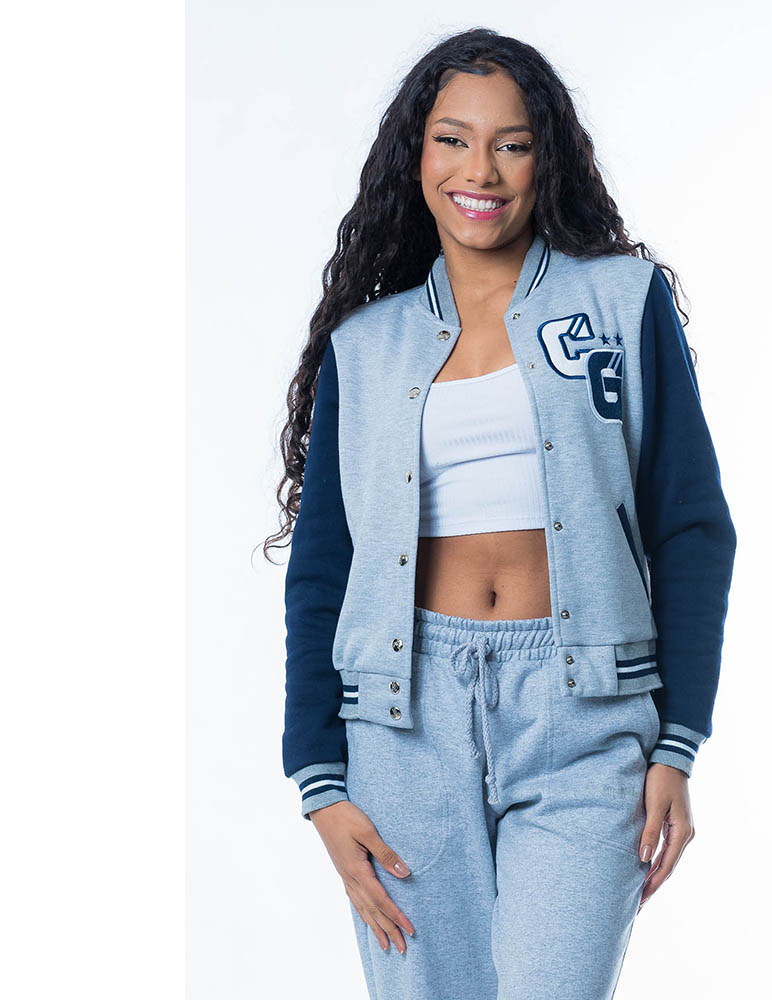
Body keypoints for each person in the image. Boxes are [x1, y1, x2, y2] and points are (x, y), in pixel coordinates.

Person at [263, 27, 737, 1000]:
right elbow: (324, 568)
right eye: (452, 140)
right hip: (403, 726)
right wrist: (318, 775)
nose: (479, 170)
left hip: (584, 715)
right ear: (416, 155)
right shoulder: (367, 345)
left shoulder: (620, 303)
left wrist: (678, 740)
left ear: (543, 157)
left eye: (510, 144)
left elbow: (691, 526)